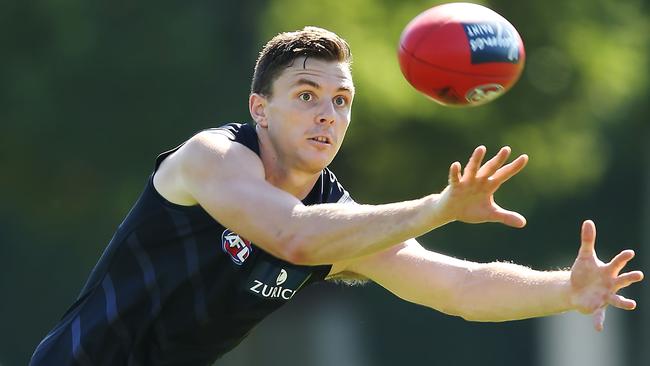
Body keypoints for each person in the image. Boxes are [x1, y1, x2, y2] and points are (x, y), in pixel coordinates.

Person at [30, 26, 643, 365]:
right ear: (259, 109)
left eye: (341, 100)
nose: (327, 114)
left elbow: (460, 287)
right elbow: (292, 235)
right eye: (305, 95)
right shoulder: (210, 159)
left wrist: (566, 290)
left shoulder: (338, 224)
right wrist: (438, 208)